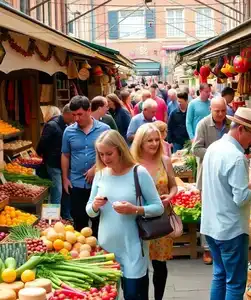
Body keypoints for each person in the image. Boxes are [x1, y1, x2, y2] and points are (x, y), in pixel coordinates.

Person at [86, 130, 164, 300]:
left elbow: (158, 207)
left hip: (133, 247)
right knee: (109, 295)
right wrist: (95, 206)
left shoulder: (139, 172)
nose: (105, 158)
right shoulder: (100, 174)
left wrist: (135, 209)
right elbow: (89, 210)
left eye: (109, 153)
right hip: (107, 247)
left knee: (133, 294)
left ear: (120, 150)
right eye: (101, 154)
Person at [201, 107, 251, 300]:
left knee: (220, 276)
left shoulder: (214, 147)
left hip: (211, 225)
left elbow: (222, 186)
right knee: (235, 284)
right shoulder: (236, 157)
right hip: (230, 230)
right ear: (241, 130)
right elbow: (241, 198)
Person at [131, 123, 178, 300]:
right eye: (149, 140)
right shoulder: (131, 162)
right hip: (137, 218)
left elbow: (174, 186)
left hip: (160, 219)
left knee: (160, 264)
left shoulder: (165, 160)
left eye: (157, 139)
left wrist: (170, 196)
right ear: (140, 142)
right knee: (139, 265)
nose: (154, 143)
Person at [61, 96, 110, 236]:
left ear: (89, 111)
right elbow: (65, 155)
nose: (76, 118)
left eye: (80, 114)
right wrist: (65, 178)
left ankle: (100, 250)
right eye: (74, 114)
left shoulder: (104, 129)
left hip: (100, 182)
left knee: (99, 220)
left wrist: (95, 168)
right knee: (79, 220)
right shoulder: (68, 132)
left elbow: (112, 154)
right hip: (76, 183)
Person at [192, 97, 230, 265]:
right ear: (210, 109)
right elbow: (196, 149)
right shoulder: (203, 124)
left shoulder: (230, 124)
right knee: (208, 213)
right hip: (207, 176)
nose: (221, 114)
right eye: (217, 111)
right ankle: (207, 249)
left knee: (224, 211)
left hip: (227, 176)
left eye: (223, 110)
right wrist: (217, 154)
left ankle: (222, 247)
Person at [37, 104, 74, 219]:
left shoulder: (67, 125)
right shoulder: (52, 125)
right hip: (54, 164)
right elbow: (42, 143)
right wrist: (43, 156)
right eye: (73, 115)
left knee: (66, 190)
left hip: (65, 164)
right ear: (67, 114)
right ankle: (52, 218)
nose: (75, 118)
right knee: (57, 191)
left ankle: (66, 215)